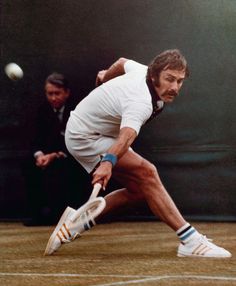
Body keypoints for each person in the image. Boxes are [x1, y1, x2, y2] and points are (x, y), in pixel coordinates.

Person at [45, 50, 231, 257]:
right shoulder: (140, 101)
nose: (174, 87)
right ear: (154, 76)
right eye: (169, 79)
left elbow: (122, 62)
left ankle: (74, 225)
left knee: (140, 190)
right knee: (147, 173)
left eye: (179, 81)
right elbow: (126, 135)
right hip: (85, 136)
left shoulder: (142, 71)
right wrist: (108, 162)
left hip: (96, 131)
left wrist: (106, 77)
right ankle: (190, 241)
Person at [24, 73, 89, 226]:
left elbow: (80, 141)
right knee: (28, 166)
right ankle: (38, 215)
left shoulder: (78, 111)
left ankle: (65, 216)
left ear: (67, 92)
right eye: (49, 93)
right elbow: (34, 139)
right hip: (47, 158)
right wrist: (40, 156)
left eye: (57, 93)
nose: (53, 98)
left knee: (64, 169)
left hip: (73, 158)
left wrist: (55, 155)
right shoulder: (41, 111)